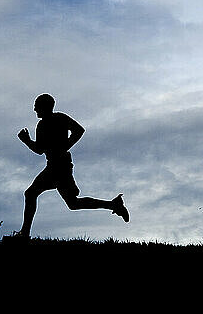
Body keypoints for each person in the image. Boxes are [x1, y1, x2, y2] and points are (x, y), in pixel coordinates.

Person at [12, 93, 129, 239]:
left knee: (31, 194)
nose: (34, 108)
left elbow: (79, 130)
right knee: (73, 203)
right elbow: (40, 150)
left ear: (45, 107)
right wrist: (27, 140)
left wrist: (65, 146)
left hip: (60, 167)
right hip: (54, 166)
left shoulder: (60, 118)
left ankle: (24, 234)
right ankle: (113, 205)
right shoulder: (41, 125)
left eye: (37, 105)